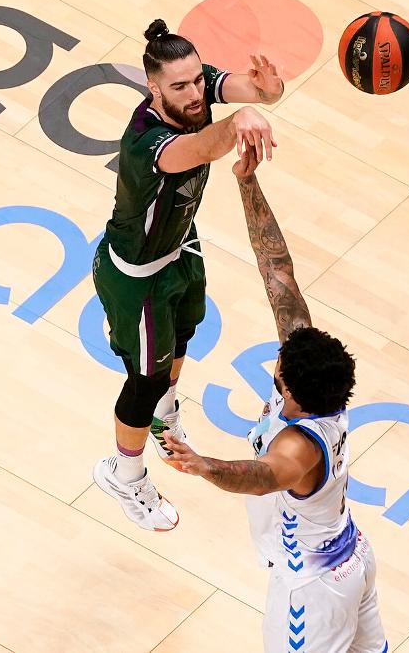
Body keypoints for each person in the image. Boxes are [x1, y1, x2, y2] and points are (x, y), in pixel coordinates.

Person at [162, 149, 388, 653]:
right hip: (350, 557)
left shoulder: (300, 448)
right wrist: (247, 184)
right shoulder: (318, 388)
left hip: (313, 587)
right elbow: (277, 270)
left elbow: (261, 477)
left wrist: (203, 465)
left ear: (289, 388)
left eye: (278, 369)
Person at [91, 18, 285, 532]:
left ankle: (166, 414)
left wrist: (267, 91)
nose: (196, 92)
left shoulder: (195, 92)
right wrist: (240, 115)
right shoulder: (148, 144)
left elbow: (254, 93)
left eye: (199, 80)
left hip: (181, 247)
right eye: (179, 86)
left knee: (183, 338)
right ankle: (123, 473)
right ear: (153, 89)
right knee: (144, 380)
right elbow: (204, 148)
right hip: (137, 275)